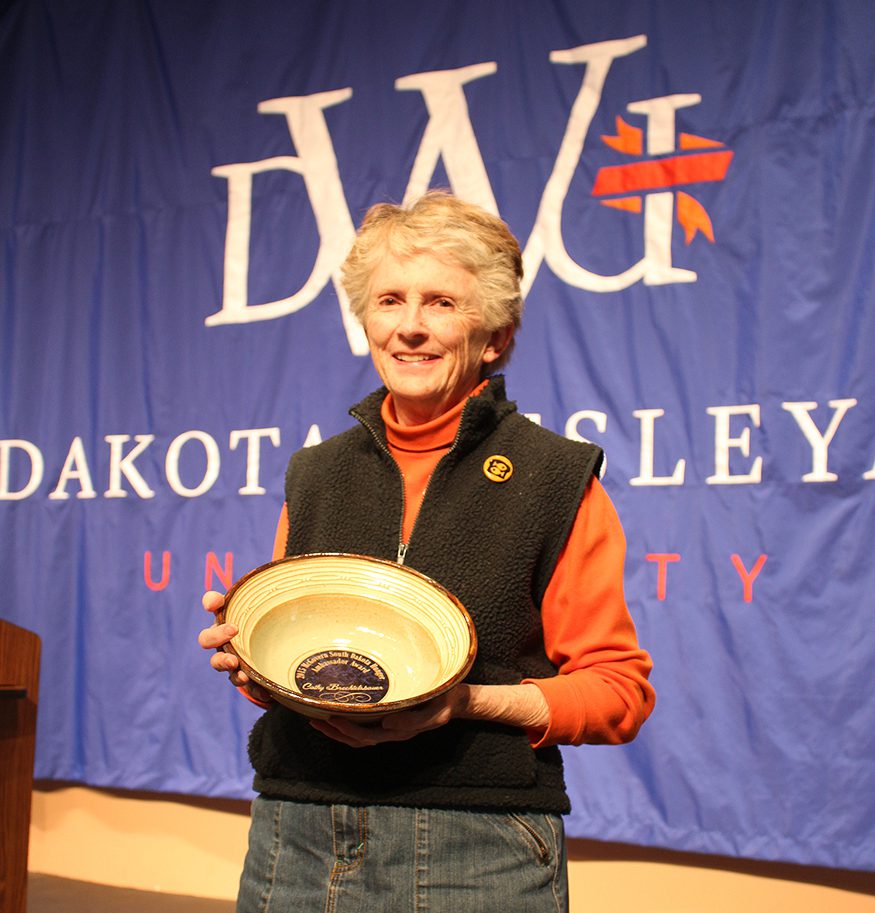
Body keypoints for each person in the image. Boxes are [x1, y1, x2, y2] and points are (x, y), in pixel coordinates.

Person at [198, 191, 655, 913]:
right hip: (299, 829)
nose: (409, 327)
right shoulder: (314, 473)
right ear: (366, 320)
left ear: (495, 335)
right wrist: (251, 662)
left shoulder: (556, 478)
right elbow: (290, 674)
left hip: (476, 844)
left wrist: (464, 702)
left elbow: (616, 693)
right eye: (389, 300)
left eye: (440, 302)